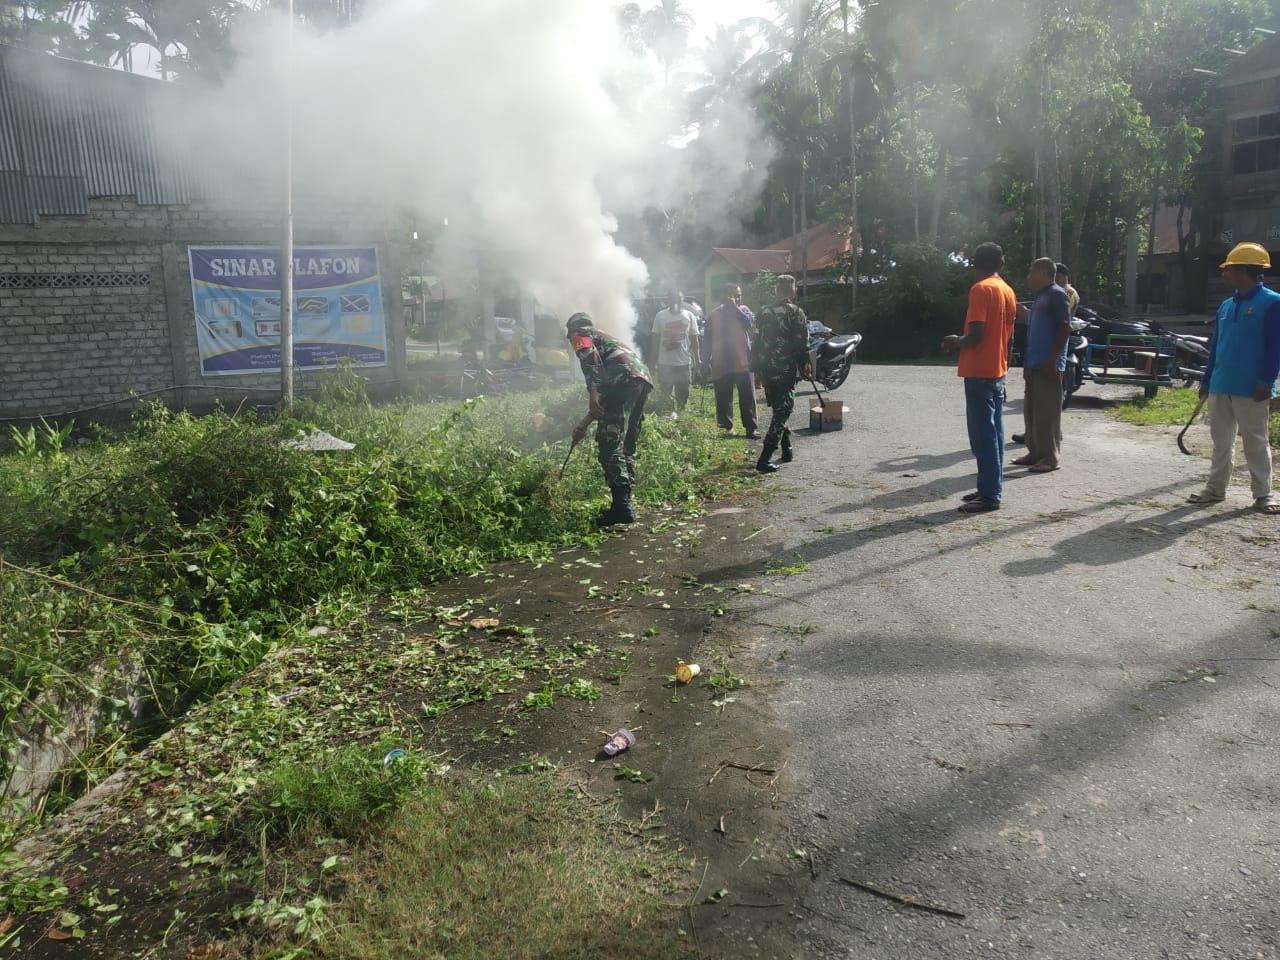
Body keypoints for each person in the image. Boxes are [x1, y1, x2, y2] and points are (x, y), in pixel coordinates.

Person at [1187, 242, 1280, 514]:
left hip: (1251, 388)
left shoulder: (1272, 303)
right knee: (1221, 441)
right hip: (1220, 384)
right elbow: (1216, 346)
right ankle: (1215, 489)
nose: (1223, 274)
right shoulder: (1226, 306)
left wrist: (1266, 381)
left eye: (1227, 269)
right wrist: (1205, 381)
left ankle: (1264, 494)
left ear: (1243, 271)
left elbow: (1275, 346)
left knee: (1255, 440)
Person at [942, 242, 1018, 513]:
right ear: (1001, 262)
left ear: (976, 263)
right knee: (995, 433)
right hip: (997, 370)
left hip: (979, 371)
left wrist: (955, 341)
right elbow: (1008, 337)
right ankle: (989, 486)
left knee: (983, 435)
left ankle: (989, 496)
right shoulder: (1007, 291)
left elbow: (976, 335)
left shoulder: (981, 289)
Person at [567, 313, 653, 526]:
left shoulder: (581, 336)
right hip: (641, 380)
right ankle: (623, 503)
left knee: (609, 443)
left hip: (621, 380)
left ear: (572, 331)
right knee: (626, 445)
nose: (570, 340)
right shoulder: (604, 336)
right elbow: (606, 402)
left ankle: (622, 508)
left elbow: (592, 364)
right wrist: (585, 423)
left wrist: (593, 395)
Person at [1012, 257, 1072, 473]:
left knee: (1047, 413)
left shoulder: (1057, 294)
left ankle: (1050, 457)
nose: (1029, 276)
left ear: (1045, 273)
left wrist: (1052, 360)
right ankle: (1034, 452)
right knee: (1032, 412)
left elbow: (1065, 329)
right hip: (1034, 363)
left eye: (1032, 271)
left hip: (1049, 365)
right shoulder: (1039, 297)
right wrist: (1028, 365)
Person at [752, 275, 812, 473]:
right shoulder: (796, 312)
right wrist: (805, 364)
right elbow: (801, 342)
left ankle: (787, 450)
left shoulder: (763, 312)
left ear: (777, 291)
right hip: (785, 370)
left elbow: (756, 342)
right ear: (792, 290)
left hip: (767, 370)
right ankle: (765, 458)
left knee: (779, 408)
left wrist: (756, 369)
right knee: (783, 411)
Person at [706, 283, 759, 437]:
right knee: (723, 397)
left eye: (738, 295)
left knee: (747, 396)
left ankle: (751, 428)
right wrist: (704, 362)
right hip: (721, 363)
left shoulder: (744, 310)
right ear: (723, 296)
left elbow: (750, 324)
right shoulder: (714, 314)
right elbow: (707, 339)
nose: (737, 298)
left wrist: (735, 308)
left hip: (743, 362)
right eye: (733, 295)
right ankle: (727, 428)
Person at [648, 290, 700, 417]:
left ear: (682, 300)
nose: (676, 301)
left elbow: (694, 340)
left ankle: (681, 417)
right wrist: (652, 363)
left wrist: (697, 359)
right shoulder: (660, 316)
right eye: (673, 299)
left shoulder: (689, 316)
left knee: (683, 394)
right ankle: (666, 418)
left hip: (683, 363)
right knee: (665, 394)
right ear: (668, 300)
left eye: (679, 299)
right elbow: (655, 342)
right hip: (665, 363)